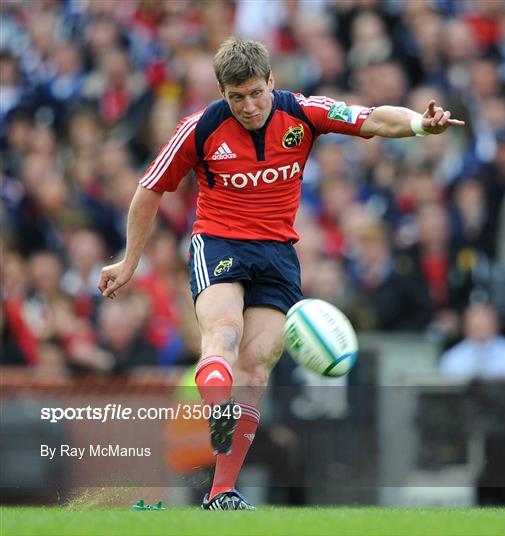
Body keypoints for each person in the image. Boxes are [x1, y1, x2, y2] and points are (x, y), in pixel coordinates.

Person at [98, 37, 464, 510]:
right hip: (220, 242)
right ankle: (218, 410)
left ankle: (221, 491)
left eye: (256, 93)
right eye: (236, 97)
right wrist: (129, 262)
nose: (249, 107)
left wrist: (419, 124)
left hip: (277, 253)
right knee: (224, 334)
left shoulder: (303, 112)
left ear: (271, 81)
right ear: (222, 94)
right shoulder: (199, 128)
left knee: (257, 366)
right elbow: (149, 190)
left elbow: (371, 117)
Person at [439, 303, 505, 379]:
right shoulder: (453, 358)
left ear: (496, 325)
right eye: (476, 326)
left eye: (484, 325)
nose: (480, 330)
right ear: (465, 328)